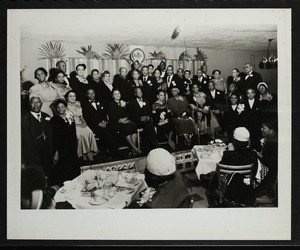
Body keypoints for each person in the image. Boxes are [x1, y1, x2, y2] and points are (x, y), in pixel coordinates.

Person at [21, 97, 57, 185]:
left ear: (41, 104)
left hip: (47, 154)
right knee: (36, 180)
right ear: (29, 104)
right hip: (33, 155)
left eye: (37, 102)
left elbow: (52, 136)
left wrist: (54, 153)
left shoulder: (46, 116)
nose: (35, 104)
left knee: (49, 178)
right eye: (33, 102)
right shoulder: (24, 119)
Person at [81, 89, 120, 159]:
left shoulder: (100, 102)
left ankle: (116, 151)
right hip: (94, 125)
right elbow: (87, 118)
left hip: (103, 122)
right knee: (105, 133)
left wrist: (104, 121)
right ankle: (108, 153)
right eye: (89, 94)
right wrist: (98, 124)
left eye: (93, 93)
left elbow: (104, 113)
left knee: (113, 129)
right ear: (86, 95)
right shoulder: (84, 105)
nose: (91, 95)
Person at [51, 99, 80, 185]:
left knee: (74, 170)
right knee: (63, 171)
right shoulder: (54, 120)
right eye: (58, 107)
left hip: (71, 147)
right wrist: (56, 152)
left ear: (65, 108)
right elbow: (54, 137)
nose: (61, 109)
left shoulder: (70, 118)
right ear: (56, 109)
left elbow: (73, 133)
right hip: (61, 149)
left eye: (63, 107)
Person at [65, 90, 99, 161]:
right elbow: (69, 120)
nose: (72, 98)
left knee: (89, 132)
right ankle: (88, 155)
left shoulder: (78, 105)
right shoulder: (66, 107)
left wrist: (84, 123)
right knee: (81, 135)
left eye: (74, 96)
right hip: (73, 126)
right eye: (70, 96)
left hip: (81, 124)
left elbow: (82, 117)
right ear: (67, 98)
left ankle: (85, 155)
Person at [108, 89, 142, 156]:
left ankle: (132, 150)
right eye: (115, 94)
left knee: (133, 128)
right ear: (112, 96)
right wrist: (120, 120)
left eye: (118, 93)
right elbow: (111, 116)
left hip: (126, 121)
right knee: (125, 129)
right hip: (116, 123)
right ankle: (135, 149)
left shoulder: (123, 102)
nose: (117, 95)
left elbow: (129, 113)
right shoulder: (111, 104)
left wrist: (124, 109)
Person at [128, 87, 158, 153]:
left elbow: (150, 112)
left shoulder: (146, 101)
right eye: (138, 92)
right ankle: (153, 145)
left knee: (148, 123)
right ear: (135, 94)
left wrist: (147, 117)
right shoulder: (132, 103)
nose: (140, 94)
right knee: (149, 125)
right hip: (137, 122)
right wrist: (139, 119)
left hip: (146, 121)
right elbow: (130, 115)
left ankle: (148, 145)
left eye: (141, 92)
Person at [253, 120, 278, 199]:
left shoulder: (271, 141)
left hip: (269, 169)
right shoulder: (271, 138)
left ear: (271, 130)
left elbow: (266, 160)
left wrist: (256, 153)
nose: (261, 129)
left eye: (264, 128)